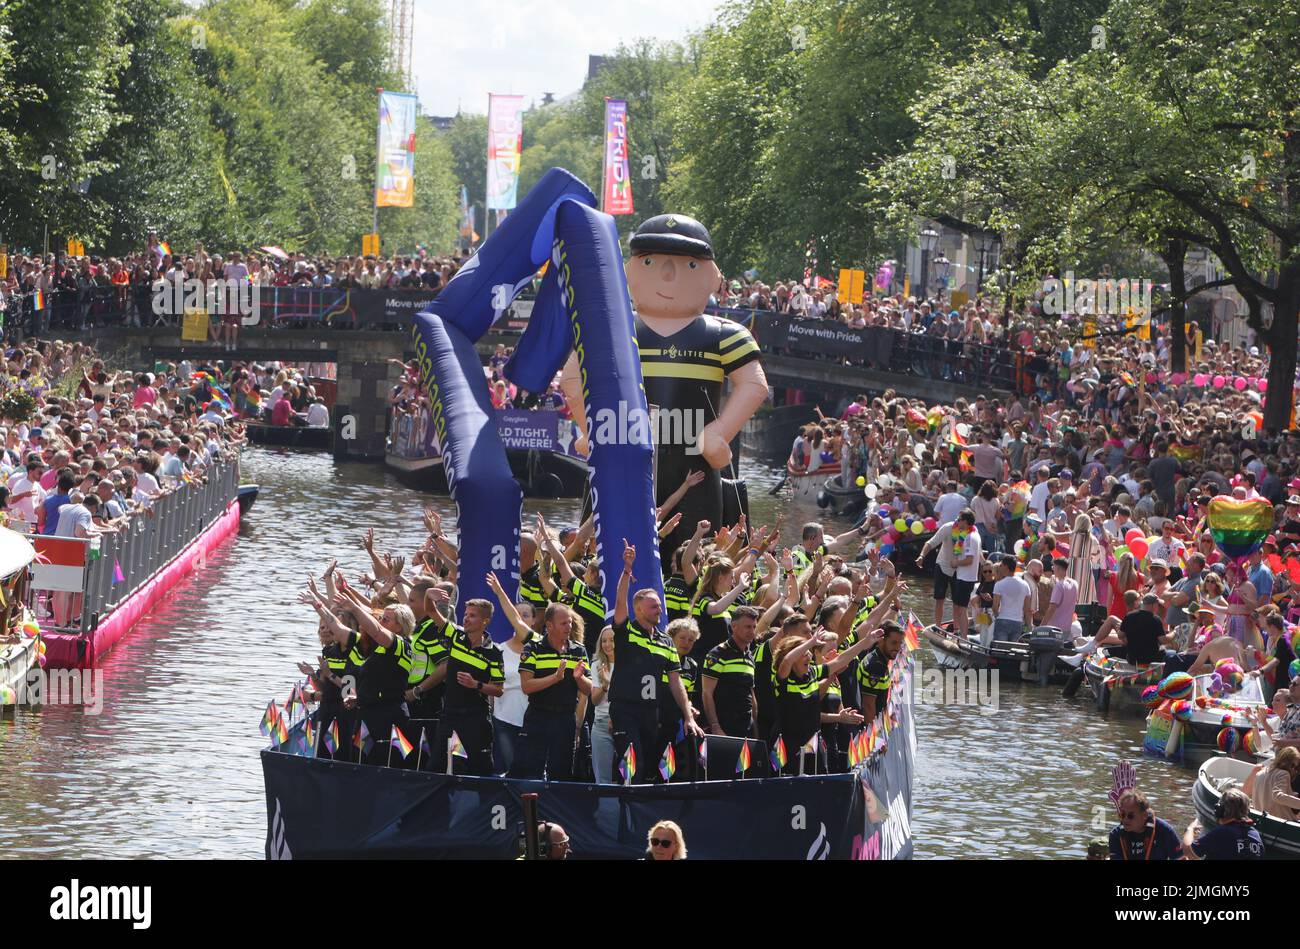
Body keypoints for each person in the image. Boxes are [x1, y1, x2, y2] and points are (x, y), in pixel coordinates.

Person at [608, 539, 702, 783]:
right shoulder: (627, 632)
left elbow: (675, 682)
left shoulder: (666, 641)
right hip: (626, 708)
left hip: (652, 712)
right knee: (631, 763)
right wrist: (627, 571)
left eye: (659, 607)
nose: (659, 611)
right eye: (653, 607)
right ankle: (623, 808)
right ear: (638, 610)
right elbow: (619, 604)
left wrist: (688, 716)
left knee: (649, 765)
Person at [512, 602, 591, 781]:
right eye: (564, 623)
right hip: (538, 716)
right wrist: (555, 678)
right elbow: (526, 686)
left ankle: (557, 808)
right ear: (549, 625)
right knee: (531, 771)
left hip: (565, 718)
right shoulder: (533, 648)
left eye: (570, 622)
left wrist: (579, 678)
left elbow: (588, 689)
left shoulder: (578, 650)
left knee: (562, 773)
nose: (569, 626)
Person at [430, 597, 505, 776]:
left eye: (472, 615)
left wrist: (476, 684)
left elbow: (499, 690)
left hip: (475, 718)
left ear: (485, 621)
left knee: (480, 768)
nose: (466, 618)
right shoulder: (456, 635)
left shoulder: (494, 653)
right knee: (435, 766)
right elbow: (432, 612)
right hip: (450, 713)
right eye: (465, 614)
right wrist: (429, 596)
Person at [701, 604, 760, 738]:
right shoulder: (717, 653)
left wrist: (755, 729)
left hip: (746, 728)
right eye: (747, 627)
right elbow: (707, 693)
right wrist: (715, 727)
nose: (752, 631)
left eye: (754, 627)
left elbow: (751, 694)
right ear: (734, 626)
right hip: (724, 727)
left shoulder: (750, 656)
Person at [1182, 789, 1264, 859]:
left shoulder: (1223, 832)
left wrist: (1190, 830)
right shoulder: (1255, 834)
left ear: (1220, 810)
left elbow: (1189, 852)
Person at [1108, 788, 1184, 860]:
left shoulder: (1165, 831)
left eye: (1130, 816)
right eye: (1122, 814)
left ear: (1144, 815)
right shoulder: (1115, 835)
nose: (1125, 819)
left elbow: (1180, 857)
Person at [589, 626, 617, 784]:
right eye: (604, 641)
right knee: (603, 780)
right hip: (601, 724)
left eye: (612, 640)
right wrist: (604, 686)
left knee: (627, 777)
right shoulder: (597, 665)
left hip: (624, 722)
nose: (607, 644)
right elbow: (594, 700)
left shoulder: (628, 664)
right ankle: (605, 809)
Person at [1243, 746, 1300, 820]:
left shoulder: (1261, 772)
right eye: (1293, 766)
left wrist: (1291, 794)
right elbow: (1277, 796)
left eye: (1296, 768)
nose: (1294, 770)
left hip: (1262, 820)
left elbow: (1267, 794)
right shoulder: (1284, 773)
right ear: (1286, 762)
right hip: (1281, 822)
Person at [991, 555, 1032, 645]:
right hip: (1018, 622)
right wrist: (1029, 626)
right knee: (1013, 651)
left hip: (1003, 620)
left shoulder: (999, 584)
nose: (1000, 567)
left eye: (1001, 565)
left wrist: (998, 617)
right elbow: (1027, 610)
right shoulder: (1025, 585)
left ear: (1006, 566)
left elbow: (994, 607)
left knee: (1000, 650)